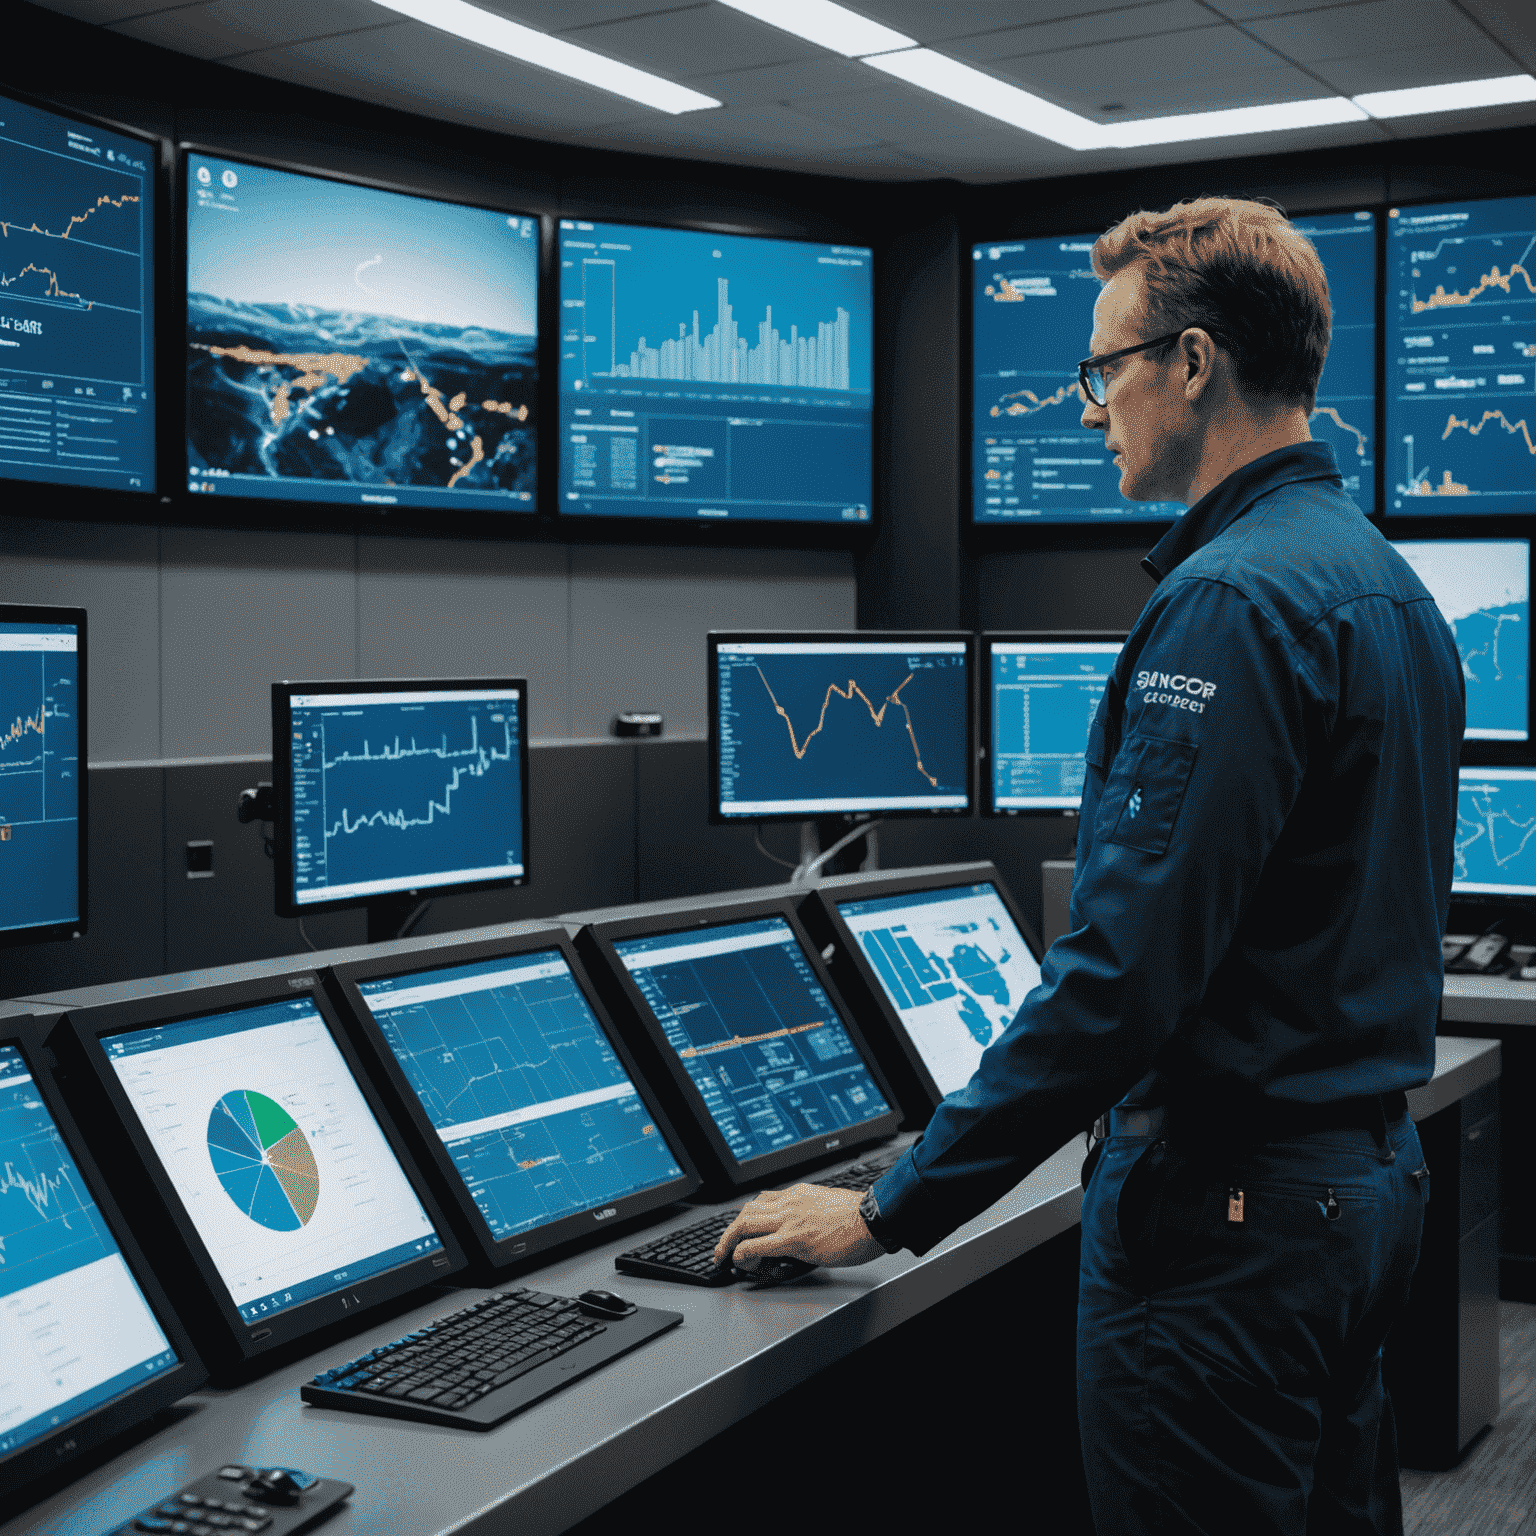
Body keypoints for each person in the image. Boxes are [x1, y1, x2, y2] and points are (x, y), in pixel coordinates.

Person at [714, 197, 1464, 1535]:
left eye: (1102, 367)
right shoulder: (1388, 589)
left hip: (1225, 1221)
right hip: (1358, 1193)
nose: (1085, 406)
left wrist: (887, 1210)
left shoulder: (1227, 605)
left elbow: (1122, 976)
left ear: (1191, 362)